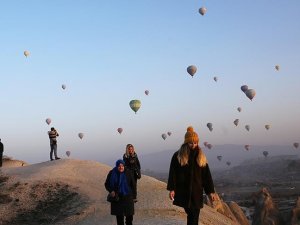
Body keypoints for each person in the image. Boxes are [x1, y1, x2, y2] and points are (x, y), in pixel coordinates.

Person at [167, 126, 217, 225]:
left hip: (196, 192)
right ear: (186, 142)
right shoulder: (178, 155)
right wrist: (172, 189)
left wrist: (210, 192)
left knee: (194, 215)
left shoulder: (201, 156)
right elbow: (173, 173)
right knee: (192, 214)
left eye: (195, 143)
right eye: (191, 143)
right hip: (183, 191)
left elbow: (206, 176)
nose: (193, 145)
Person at [105, 159, 135, 225]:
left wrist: (134, 197)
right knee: (119, 220)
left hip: (128, 198)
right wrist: (111, 191)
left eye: (122, 166)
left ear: (124, 166)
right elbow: (106, 184)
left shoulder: (128, 173)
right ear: (116, 166)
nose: (121, 167)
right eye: (119, 166)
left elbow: (133, 185)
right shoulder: (112, 173)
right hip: (117, 198)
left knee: (129, 218)